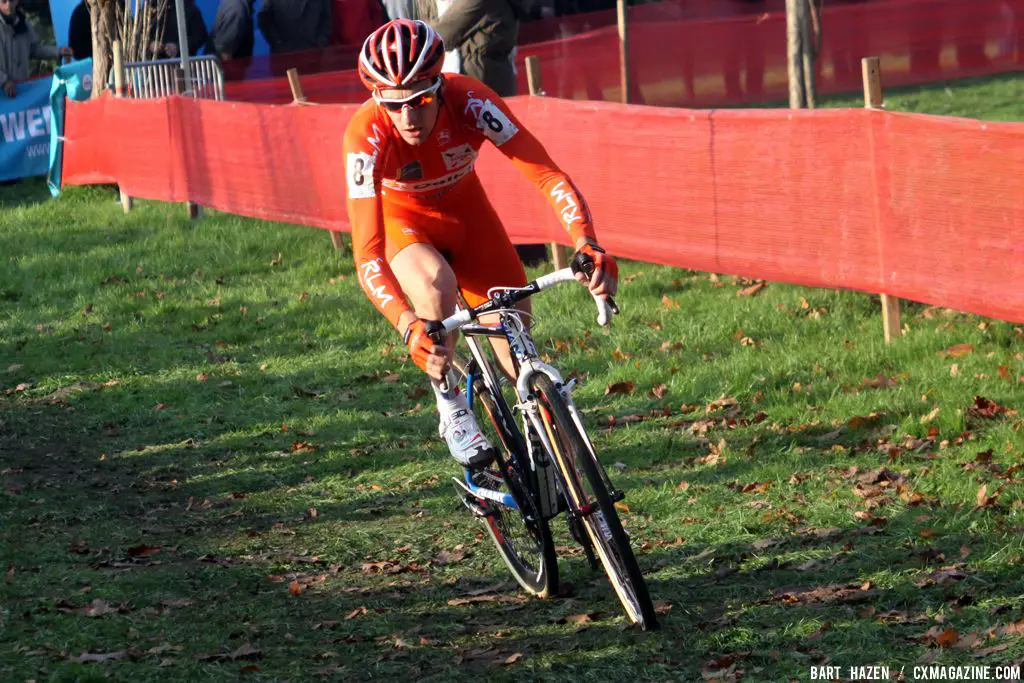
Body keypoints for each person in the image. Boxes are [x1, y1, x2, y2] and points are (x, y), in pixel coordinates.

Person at [343, 19, 618, 467]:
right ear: (377, 100)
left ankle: (555, 454)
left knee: (515, 341)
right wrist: (407, 323)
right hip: (404, 225)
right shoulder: (365, 135)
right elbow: (367, 253)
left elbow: (546, 174)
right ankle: (450, 405)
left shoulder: (471, 100)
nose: (408, 118)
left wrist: (587, 243)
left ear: (439, 84)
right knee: (435, 284)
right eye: (394, 106)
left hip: (469, 219)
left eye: (420, 100)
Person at [0, 0, 72, 97]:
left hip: (21, 90)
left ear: (16, 1)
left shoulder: (24, 24)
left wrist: (58, 51)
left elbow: (35, 49)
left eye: (11, 1)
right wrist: (4, 81)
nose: (8, 5)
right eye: (4, 1)